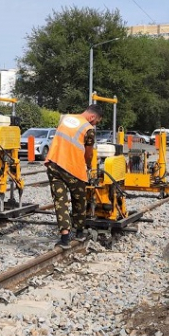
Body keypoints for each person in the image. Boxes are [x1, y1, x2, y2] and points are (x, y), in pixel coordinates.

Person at [45, 104, 102, 249]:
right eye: (96, 121)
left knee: (60, 201)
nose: (95, 124)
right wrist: (89, 166)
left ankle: (65, 237)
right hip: (72, 168)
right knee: (79, 199)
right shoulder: (88, 129)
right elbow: (88, 154)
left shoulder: (66, 118)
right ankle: (79, 231)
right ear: (92, 117)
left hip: (54, 163)